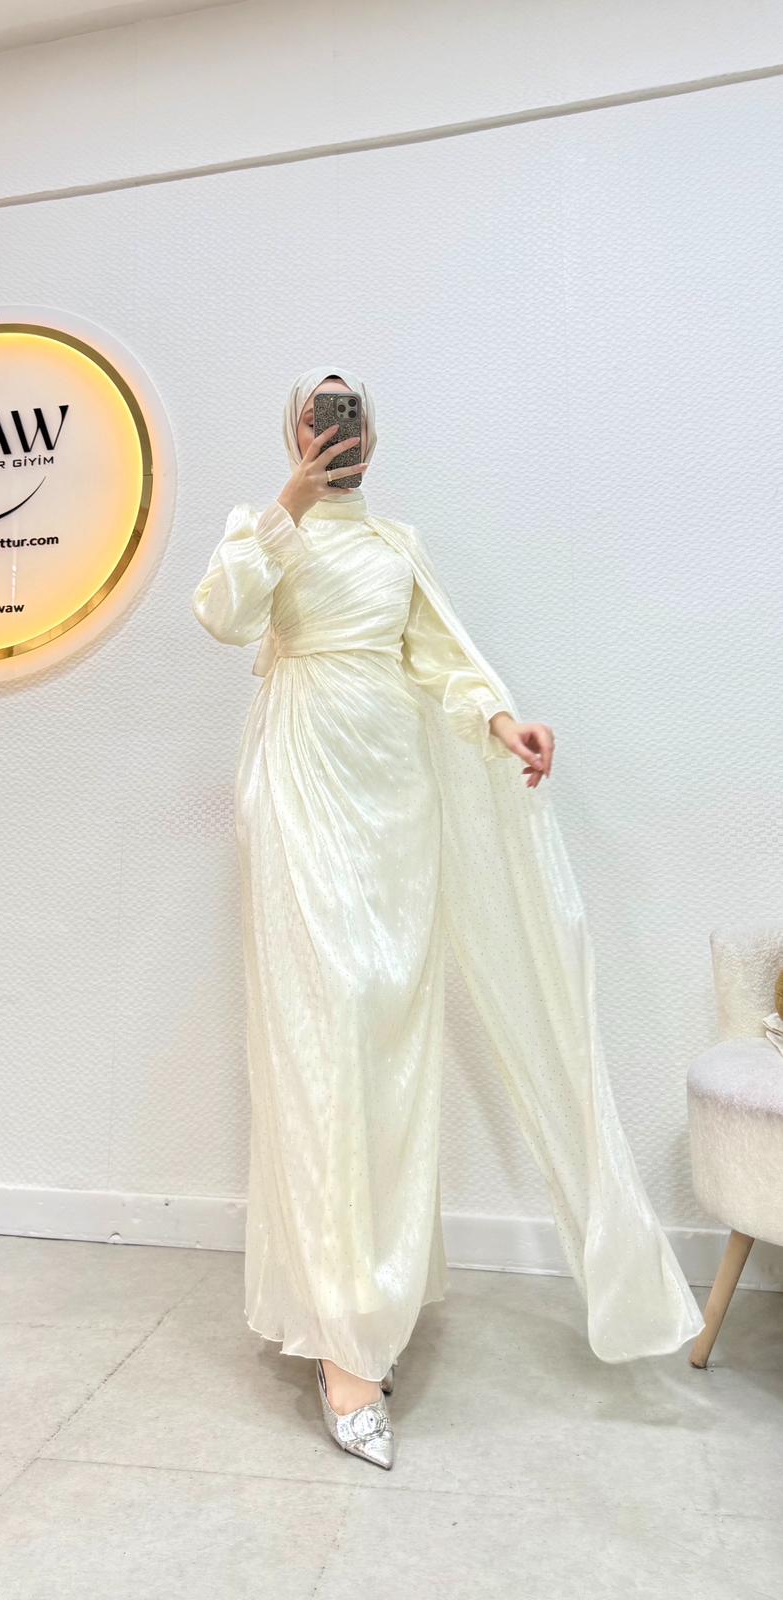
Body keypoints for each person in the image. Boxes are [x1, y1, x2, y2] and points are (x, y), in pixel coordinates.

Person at [191, 365, 705, 1472]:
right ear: (294, 429)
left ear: (374, 434)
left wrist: (502, 722)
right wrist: (287, 502)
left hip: (395, 797)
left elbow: (441, 660)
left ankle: (372, 1301)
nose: (336, 429)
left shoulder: (397, 546)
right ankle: (342, 1342)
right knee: (325, 1038)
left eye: (351, 415)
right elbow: (222, 614)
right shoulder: (263, 527)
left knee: (389, 1039)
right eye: (318, 414)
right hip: (302, 784)